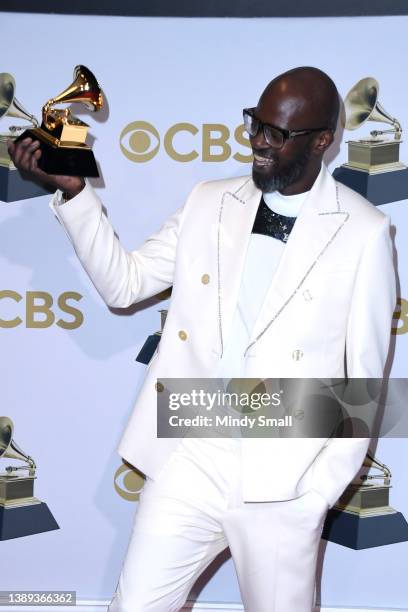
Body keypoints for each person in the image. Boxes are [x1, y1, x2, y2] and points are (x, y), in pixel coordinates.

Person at [8, 66, 396, 612]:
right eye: (255, 125)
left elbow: (364, 383)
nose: (259, 143)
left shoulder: (364, 232)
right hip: (192, 447)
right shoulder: (208, 202)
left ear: (324, 141)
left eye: (277, 135)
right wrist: (74, 195)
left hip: (284, 476)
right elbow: (125, 285)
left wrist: (316, 495)